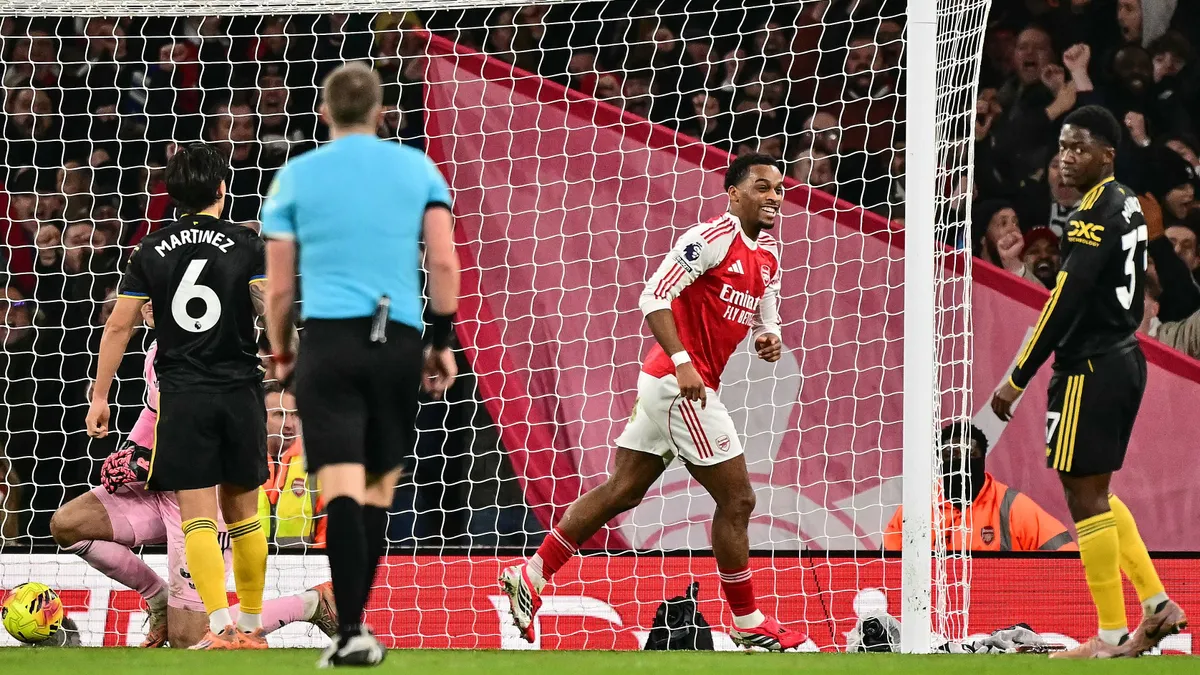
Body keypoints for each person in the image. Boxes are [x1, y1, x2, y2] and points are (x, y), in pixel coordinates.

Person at [499, 153, 806, 652]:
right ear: (733, 193)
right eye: (762, 187)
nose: (774, 197)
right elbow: (653, 297)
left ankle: (530, 577)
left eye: (777, 189)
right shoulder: (707, 240)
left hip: (675, 383)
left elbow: (766, 297)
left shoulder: (768, 250)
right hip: (678, 383)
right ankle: (747, 620)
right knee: (739, 500)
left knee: (621, 490)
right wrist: (683, 359)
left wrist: (768, 333)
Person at [260, 62, 459, 667]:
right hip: (394, 341)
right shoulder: (416, 168)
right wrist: (441, 341)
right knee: (377, 490)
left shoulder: (296, 176)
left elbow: (276, 286)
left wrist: (284, 350)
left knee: (341, 488)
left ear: (324, 112)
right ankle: (357, 630)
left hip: (327, 343)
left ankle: (348, 631)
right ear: (380, 113)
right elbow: (445, 263)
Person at [991, 106, 1187, 658]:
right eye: (1061, 147)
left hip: (1092, 363)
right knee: (1096, 492)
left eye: (1080, 147)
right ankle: (1156, 606)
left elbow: (1065, 300)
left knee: (1084, 497)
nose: (1066, 158)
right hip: (1120, 357)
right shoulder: (1125, 199)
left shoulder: (1090, 215)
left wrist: (1017, 378)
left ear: (1108, 153)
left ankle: (1105, 636)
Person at [53, 309, 336, 647]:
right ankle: (158, 599)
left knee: (189, 641)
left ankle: (310, 604)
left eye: (154, 301)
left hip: (203, 502)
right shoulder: (156, 354)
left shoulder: (215, 360)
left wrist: (145, 462)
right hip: (158, 490)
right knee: (69, 524)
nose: (144, 308)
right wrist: (130, 451)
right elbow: (153, 411)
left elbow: (215, 441)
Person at [86, 143, 271, 650]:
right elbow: (272, 314)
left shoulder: (149, 251)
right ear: (221, 189)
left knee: (198, 519)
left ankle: (220, 626)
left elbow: (119, 325)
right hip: (238, 389)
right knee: (246, 514)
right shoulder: (247, 244)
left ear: (171, 195)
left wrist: (99, 396)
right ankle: (252, 626)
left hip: (184, 395)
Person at [883, 423, 1076, 552]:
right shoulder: (916, 510)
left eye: (969, 454)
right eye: (951, 455)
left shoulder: (1011, 506)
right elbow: (884, 570)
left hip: (998, 609)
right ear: (940, 462)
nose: (960, 463)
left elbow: (1067, 558)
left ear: (983, 460)